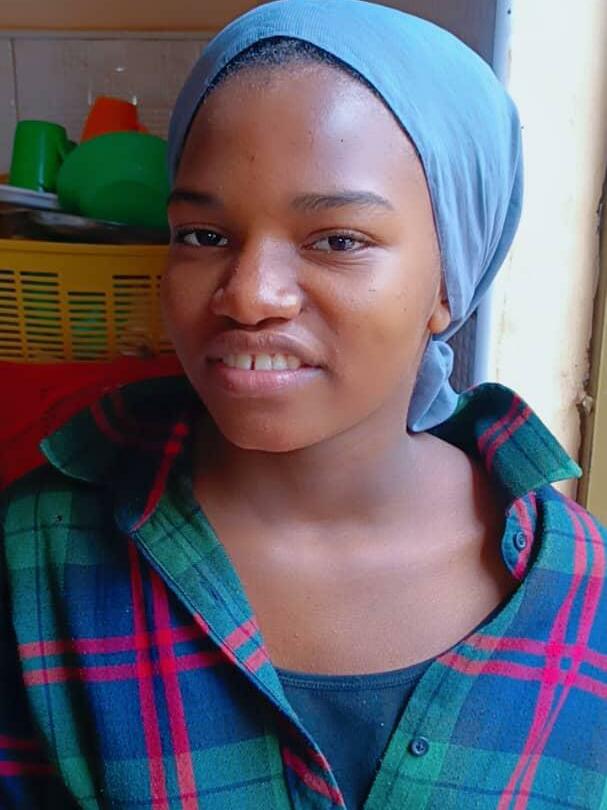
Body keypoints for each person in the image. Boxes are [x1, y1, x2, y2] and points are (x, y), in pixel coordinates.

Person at [1, 1, 606, 808]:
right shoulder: (37, 558)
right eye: (203, 236)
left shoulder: (581, 593)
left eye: (338, 240)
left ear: (448, 281)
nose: (249, 296)